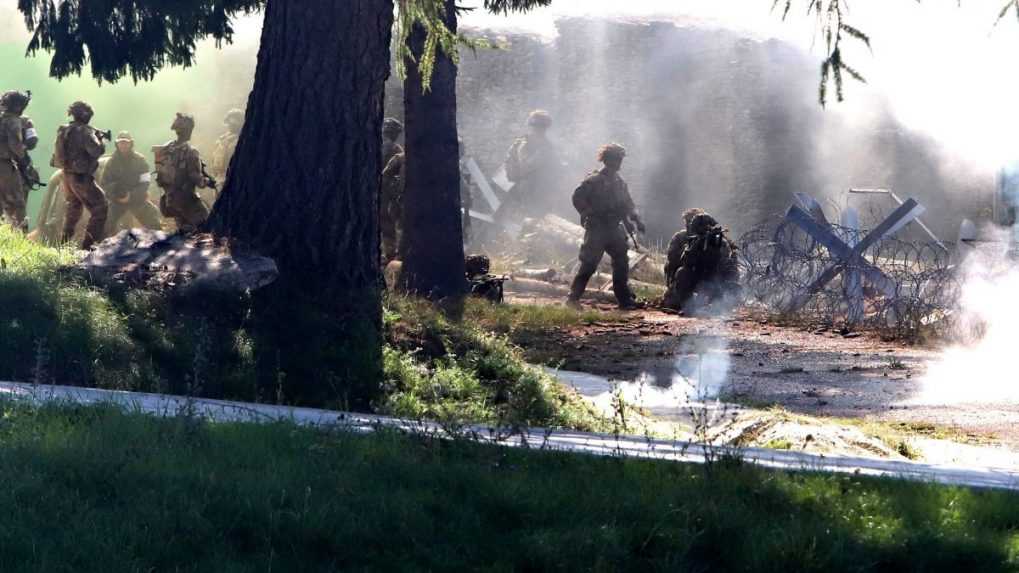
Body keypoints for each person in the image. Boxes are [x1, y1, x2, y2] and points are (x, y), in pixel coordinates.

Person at [566, 143, 645, 310]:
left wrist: (636, 220)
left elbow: (628, 204)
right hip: (597, 229)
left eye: (620, 159)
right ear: (607, 159)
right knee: (589, 264)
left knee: (622, 261)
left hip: (614, 228)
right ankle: (572, 299)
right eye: (616, 159)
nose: (619, 162)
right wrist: (588, 213)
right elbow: (577, 198)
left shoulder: (619, 183)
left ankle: (624, 300)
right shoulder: (593, 180)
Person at [53, 101, 108, 249]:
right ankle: (88, 248)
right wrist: (101, 140)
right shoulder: (85, 131)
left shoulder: (65, 130)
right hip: (80, 177)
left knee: (74, 208)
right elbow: (96, 151)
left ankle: (63, 245)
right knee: (100, 207)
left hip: (65, 175)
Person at [661, 210, 740, 312]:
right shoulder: (682, 238)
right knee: (678, 284)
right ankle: (687, 304)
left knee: (725, 294)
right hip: (694, 275)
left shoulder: (719, 240)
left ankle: (718, 302)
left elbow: (730, 262)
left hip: (715, 277)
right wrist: (693, 249)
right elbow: (675, 261)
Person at [154, 113, 212, 232]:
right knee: (206, 226)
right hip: (187, 200)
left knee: (184, 230)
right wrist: (208, 181)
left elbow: (160, 177)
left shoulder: (166, 148)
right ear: (188, 130)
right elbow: (196, 177)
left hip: (169, 200)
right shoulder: (191, 151)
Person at [502, 109, 562, 222]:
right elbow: (523, 167)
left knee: (533, 223)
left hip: (535, 191)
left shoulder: (522, 143)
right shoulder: (524, 145)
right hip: (528, 191)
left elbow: (554, 172)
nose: (540, 130)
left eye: (541, 127)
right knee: (530, 222)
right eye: (539, 126)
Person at [102, 131, 162, 234]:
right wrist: (117, 194)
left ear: (131, 144)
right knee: (104, 222)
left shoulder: (140, 160)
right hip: (117, 201)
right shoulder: (111, 162)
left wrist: (132, 196)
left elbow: (145, 182)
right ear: (117, 144)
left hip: (137, 199)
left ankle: (161, 246)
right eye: (121, 143)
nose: (123, 145)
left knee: (153, 219)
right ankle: (97, 247)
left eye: (126, 142)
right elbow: (105, 183)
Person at [0, 91, 32, 231]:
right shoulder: (13, 121)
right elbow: (16, 145)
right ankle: (20, 237)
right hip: (4, 166)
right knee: (17, 203)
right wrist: (23, 160)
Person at [209, 108, 244, 199]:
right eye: (230, 122)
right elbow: (214, 161)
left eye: (235, 121)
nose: (231, 124)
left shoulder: (244, 141)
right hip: (220, 180)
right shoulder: (221, 140)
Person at [380, 150, 405, 262]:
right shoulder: (400, 158)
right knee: (396, 227)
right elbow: (385, 176)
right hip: (398, 201)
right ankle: (394, 256)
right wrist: (394, 191)